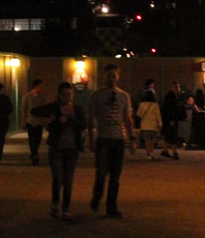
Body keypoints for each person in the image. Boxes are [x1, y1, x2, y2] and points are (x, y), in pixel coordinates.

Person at [31, 82, 88, 220]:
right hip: (56, 149)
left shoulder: (77, 109)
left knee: (68, 180)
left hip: (72, 150)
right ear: (59, 96)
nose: (67, 97)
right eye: (64, 95)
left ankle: (66, 208)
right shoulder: (55, 109)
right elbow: (36, 112)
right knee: (58, 179)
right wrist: (56, 121)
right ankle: (55, 204)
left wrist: (72, 120)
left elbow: (83, 125)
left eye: (69, 94)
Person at [88, 64, 135, 217]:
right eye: (109, 75)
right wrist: (91, 138)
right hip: (103, 138)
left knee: (115, 176)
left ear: (118, 76)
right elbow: (91, 118)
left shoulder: (124, 96)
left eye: (114, 75)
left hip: (118, 139)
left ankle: (111, 206)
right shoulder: (97, 95)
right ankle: (97, 196)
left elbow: (128, 119)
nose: (111, 78)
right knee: (101, 173)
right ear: (104, 76)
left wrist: (132, 139)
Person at [22, 79, 48, 165]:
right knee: (32, 138)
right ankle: (34, 154)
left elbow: (45, 109)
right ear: (35, 86)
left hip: (39, 121)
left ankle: (34, 151)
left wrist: (45, 121)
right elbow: (24, 109)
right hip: (31, 120)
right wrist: (24, 121)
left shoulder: (42, 97)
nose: (41, 88)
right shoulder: (28, 96)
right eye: (40, 86)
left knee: (38, 138)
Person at [159, 82, 182, 159]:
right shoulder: (171, 97)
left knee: (169, 136)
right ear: (173, 88)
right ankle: (175, 152)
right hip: (171, 120)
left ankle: (165, 151)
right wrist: (171, 119)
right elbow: (169, 109)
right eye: (177, 87)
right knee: (173, 136)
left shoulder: (171, 96)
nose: (179, 89)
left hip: (168, 120)